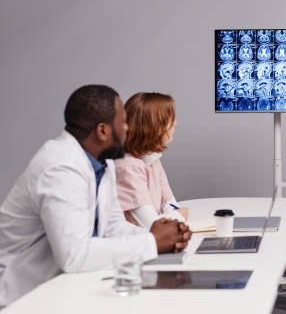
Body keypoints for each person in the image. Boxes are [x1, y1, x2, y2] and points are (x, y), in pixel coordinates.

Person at [0, 85, 192, 307]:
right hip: (19, 298)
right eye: (123, 123)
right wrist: (152, 241)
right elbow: (74, 256)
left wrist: (167, 237)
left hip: (60, 288)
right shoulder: (61, 167)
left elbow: (113, 227)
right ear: (102, 131)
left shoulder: (103, 163)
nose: (128, 128)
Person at [115, 92, 188, 229]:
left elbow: (170, 203)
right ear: (153, 125)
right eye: (170, 119)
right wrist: (178, 216)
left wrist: (174, 213)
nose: (175, 123)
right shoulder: (127, 167)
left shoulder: (153, 160)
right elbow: (153, 225)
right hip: (136, 245)